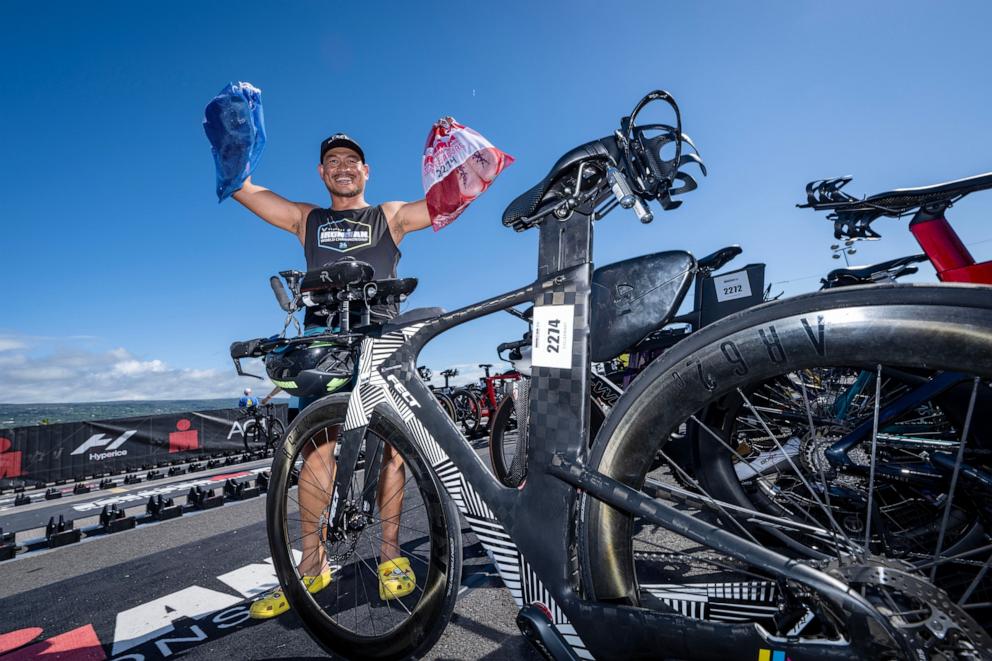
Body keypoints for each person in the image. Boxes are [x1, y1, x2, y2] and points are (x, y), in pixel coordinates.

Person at [231, 133, 433, 619]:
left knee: (390, 450)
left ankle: (389, 557)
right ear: (322, 174)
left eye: (352, 160)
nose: (342, 166)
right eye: (332, 161)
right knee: (315, 451)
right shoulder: (307, 219)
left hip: (382, 334)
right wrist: (232, 146)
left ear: (367, 171)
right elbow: (244, 190)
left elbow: (448, 202)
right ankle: (312, 565)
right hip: (325, 342)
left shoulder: (390, 215)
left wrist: (470, 160)